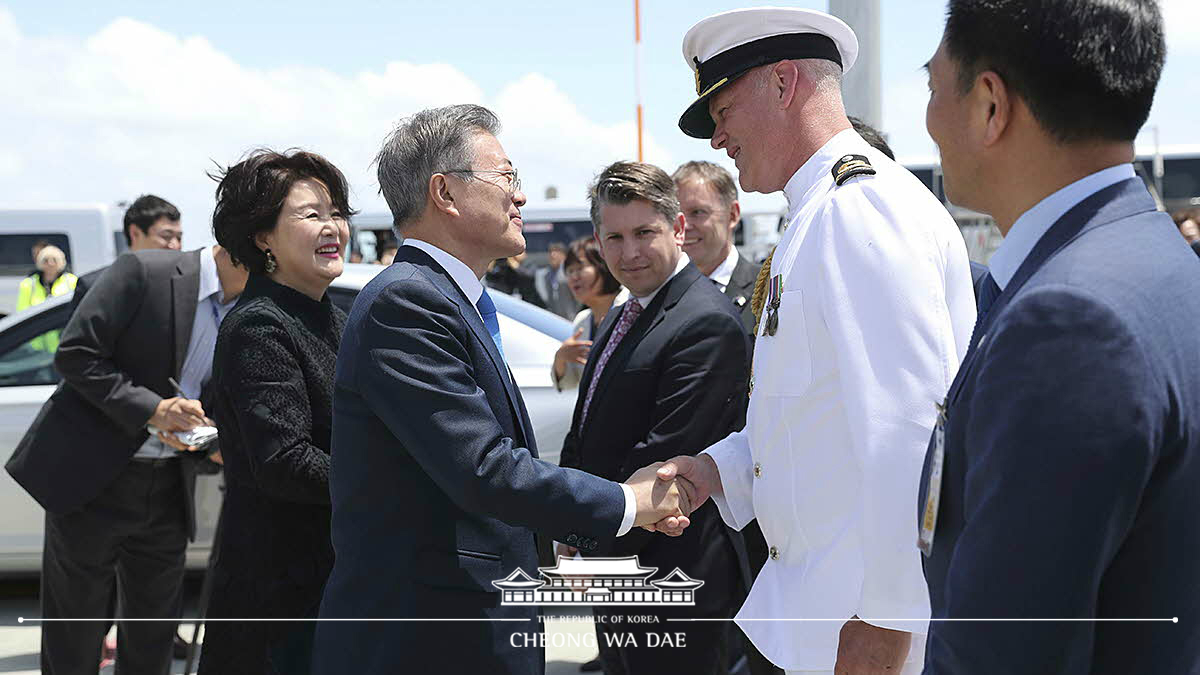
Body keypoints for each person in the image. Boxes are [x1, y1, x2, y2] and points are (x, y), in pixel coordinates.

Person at [312, 104, 693, 675]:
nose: (520, 197)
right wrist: (628, 503)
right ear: (445, 192)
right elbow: (485, 468)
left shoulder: (446, 298)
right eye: (507, 177)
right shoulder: (407, 302)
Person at [655, 8, 977, 674]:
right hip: (802, 619)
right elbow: (809, 417)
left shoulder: (863, 210)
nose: (717, 137)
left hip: (853, 633)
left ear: (783, 82)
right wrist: (717, 469)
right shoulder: (818, 215)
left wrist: (888, 620)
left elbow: (915, 434)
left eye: (722, 107)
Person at [917, 1, 1200, 672]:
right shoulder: (1158, 256)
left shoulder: (1068, 321)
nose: (926, 120)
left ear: (991, 105)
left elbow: (1003, 653)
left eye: (932, 87)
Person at [6, 237, 246, 674]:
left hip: (171, 485)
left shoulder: (254, 307)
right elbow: (76, 353)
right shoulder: (144, 272)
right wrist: (153, 410)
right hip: (93, 482)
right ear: (251, 238)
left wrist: (209, 441)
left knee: (152, 636)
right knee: (75, 634)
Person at [556, 161, 748, 675]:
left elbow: (664, 458)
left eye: (645, 232)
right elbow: (587, 426)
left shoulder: (705, 321)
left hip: (674, 575)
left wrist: (580, 523)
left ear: (678, 229)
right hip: (619, 567)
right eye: (614, 237)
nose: (630, 252)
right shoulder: (625, 311)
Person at [197, 150, 353, 675]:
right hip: (281, 597)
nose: (332, 227)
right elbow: (285, 460)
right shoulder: (259, 327)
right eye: (311, 215)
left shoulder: (334, 316)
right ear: (263, 237)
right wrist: (393, 483)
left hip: (334, 578)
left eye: (335, 213)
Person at [672, 161, 759, 335]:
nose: (684, 226)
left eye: (697, 212)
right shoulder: (658, 294)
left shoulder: (765, 289)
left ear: (732, 215)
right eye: (676, 216)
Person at [71, 194, 184, 316]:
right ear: (135, 233)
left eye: (179, 238)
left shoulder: (186, 285)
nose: (175, 245)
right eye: (166, 236)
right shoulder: (94, 287)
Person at [551, 236, 627, 391]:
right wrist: (561, 357)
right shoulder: (583, 320)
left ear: (604, 266)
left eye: (580, 268)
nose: (574, 277)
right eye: (570, 270)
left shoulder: (631, 307)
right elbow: (569, 385)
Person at [17, 245, 78, 350]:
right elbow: (22, 311)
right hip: (37, 343)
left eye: (54, 260)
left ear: (61, 262)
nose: (50, 264)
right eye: (46, 260)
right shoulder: (29, 284)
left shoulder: (71, 281)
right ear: (40, 263)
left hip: (64, 341)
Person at [536, 242, 580, 319]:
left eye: (556, 253)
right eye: (550, 253)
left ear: (563, 255)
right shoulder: (547, 274)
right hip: (555, 316)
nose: (552, 255)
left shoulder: (569, 271)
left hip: (572, 315)